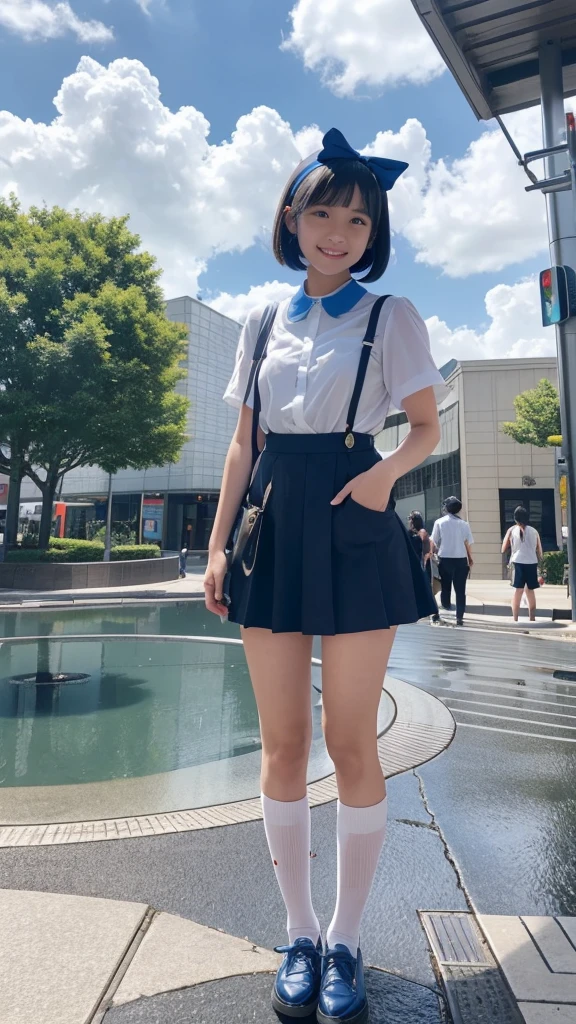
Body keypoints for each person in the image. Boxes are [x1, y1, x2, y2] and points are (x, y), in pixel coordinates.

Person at [203, 128, 446, 1024]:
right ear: (293, 219)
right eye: (322, 212)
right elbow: (243, 443)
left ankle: (346, 937)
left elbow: (424, 427)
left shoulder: (392, 316)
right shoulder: (263, 320)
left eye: (355, 216)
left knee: (351, 741)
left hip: (354, 518)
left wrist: (384, 477)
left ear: (370, 230)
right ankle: (298, 933)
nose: (337, 230)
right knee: (281, 746)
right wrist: (219, 544)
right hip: (272, 522)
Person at [430, 496, 474, 626]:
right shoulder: (464, 524)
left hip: (445, 558)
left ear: (447, 508)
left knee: (446, 586)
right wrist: (470, 558)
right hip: (461, 560)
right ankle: (459, 616)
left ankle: (446, 608)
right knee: (460, 590)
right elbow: (467, 543)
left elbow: (434, 541)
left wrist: (432, 553)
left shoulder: (439, 522)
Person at [501, 506, 542, 622]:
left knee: (518, 590)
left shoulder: (512, 530)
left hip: (517, 562)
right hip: (532, 562)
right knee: (530, 590)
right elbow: (540, 551)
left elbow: (503, 549)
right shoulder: (534, 531)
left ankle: (515, 618)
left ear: (515, 519)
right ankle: (532, 618)